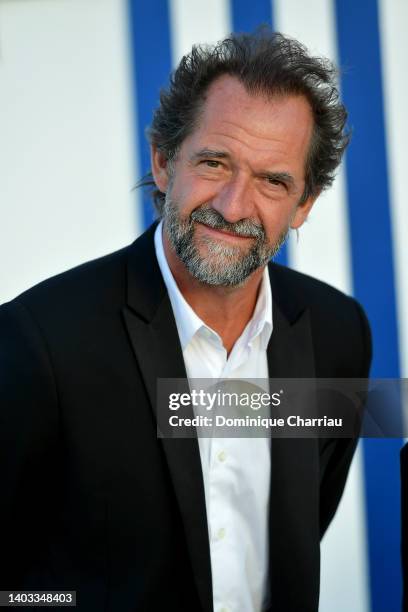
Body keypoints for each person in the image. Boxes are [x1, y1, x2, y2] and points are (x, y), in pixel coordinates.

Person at [0, 30, 371, 612]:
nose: (232, 205)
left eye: (273, 181)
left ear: (304, 203)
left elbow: (300, 529)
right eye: (214, 162)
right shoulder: (37, 343)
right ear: (164, 161)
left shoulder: (339, 333)